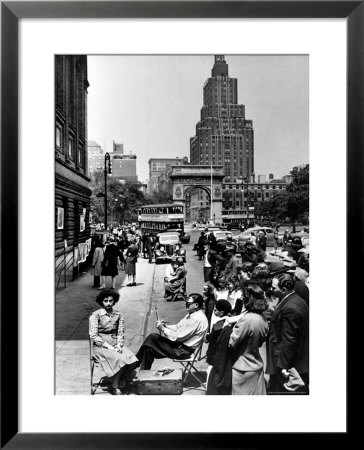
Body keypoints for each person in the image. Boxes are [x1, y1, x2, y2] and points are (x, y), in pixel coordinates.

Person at [135, 293, 208, 370]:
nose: (186, 304)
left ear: (196, 305)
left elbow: (179, 336)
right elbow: (178, 327)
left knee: (152, 337)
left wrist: (163, 329)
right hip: (179, 346)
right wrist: (166, 326)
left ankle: (134, 363)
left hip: (182, 351)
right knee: (148, 349)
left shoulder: (197, 319)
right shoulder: (192, 314)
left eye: (189, 303)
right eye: (186, 302)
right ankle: (142, 375)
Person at [89, 289, 138, 395]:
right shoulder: (95, 315)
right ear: (101, 301)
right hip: (101, 345)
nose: (108, 303)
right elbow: (94, 335)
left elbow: (120, 332)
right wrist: (109, 347)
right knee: (119, 358)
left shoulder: (118, 314)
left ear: (114, 301)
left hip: (115, 342)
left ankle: (119, 379)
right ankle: (115, 385)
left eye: (111, 301)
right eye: (105, 301)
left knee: (131, 359)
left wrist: (119, 345)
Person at [266, 273, 309, 394]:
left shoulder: (291, 308)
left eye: (274, 287)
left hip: (285, 364)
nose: (272, 289)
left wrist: (284, 368)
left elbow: (289, 340)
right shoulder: (296, 299)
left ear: (284, 289)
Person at [229, 282, 269, 395]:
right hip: (256, 366)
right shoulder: (263, 317)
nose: (242, 297)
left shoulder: (246, 320)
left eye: (244, 296)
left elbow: (232, 343)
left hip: (242, 369)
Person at [206, 299, 233, 395]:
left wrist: (207, 337)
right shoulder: (228, 322)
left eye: (215, 310)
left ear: (221, 313)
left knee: (211, 374)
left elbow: (212, 338)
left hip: (214, 355)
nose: (214, 311)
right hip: (221, 356)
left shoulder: (219, 324)